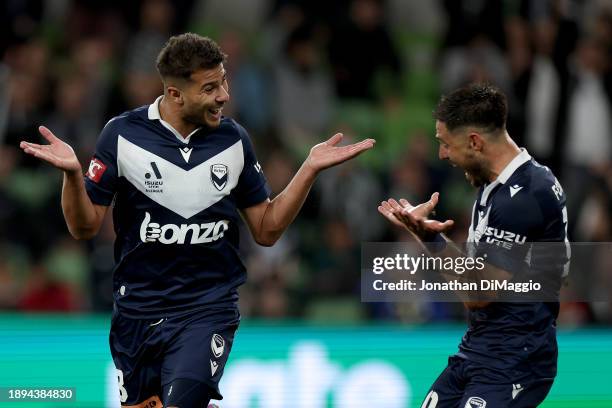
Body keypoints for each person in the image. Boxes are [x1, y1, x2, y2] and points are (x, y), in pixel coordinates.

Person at [20, 33, 374, 408]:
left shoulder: (233, 140)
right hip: (137, 312)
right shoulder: (122, 135)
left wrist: (308, 170)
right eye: (210, 87)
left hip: (206, 308)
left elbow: (266, 229)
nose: (223, 95)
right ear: (175, 95)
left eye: (223, 81)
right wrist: (73, 176)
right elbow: (84, 226)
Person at [378, 83, 568, 407]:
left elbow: (478, 294)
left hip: (515, 359)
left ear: (474, 142)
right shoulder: (496, 184)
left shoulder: (523, 198)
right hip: (481, 348)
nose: (442, 155)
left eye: (445, 144)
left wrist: (429, 238)